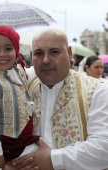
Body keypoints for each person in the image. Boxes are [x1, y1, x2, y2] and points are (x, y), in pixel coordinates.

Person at [11, 28, 108, 170]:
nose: (45, 60)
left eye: (54, 52)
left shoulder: (96, 90)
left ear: (69, 53)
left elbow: (104, 147)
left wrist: (52, 159)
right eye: (38, 53)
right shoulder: (20, 92)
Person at [0, 25, 40, 170]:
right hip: (6, 147)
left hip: (22, 142)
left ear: (17, 51)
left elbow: (30, 74)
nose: (2, 54)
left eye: (8, 49)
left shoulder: (17, 71)